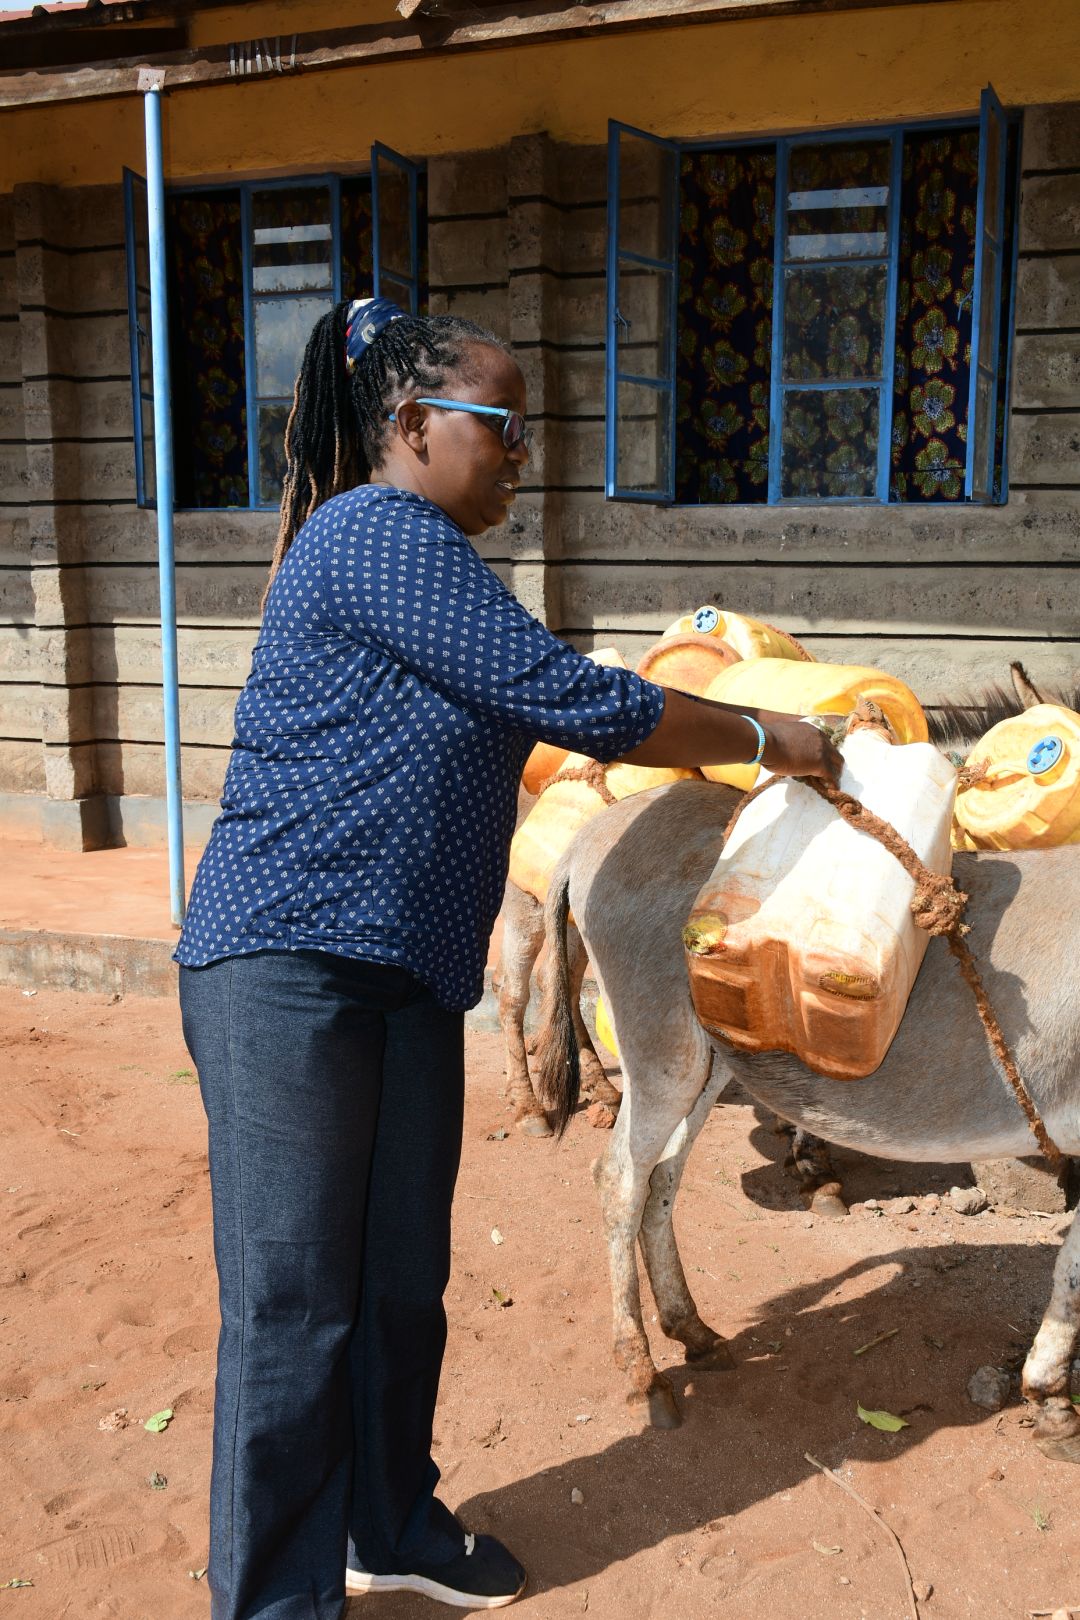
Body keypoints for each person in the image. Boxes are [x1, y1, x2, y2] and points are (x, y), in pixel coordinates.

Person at [176, 296, 841, 1620]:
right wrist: (771, 738)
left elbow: (536, 702)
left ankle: (389, 1525)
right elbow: (573, 698)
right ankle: (275, 1601)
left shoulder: (437, 566)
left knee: (397, 1286)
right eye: (504, 424)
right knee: (298, 1307)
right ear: (412, 425)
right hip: (288, 969)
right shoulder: (375, 532)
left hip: (404, 979)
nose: (524, 453)